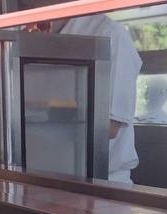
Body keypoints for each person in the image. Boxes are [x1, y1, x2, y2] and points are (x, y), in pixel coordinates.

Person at [28, 15, 142, 184]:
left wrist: (30, 120)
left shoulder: (110, 34)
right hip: (53, 177)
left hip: (102, 183)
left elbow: (108, 127)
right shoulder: (37, 36)